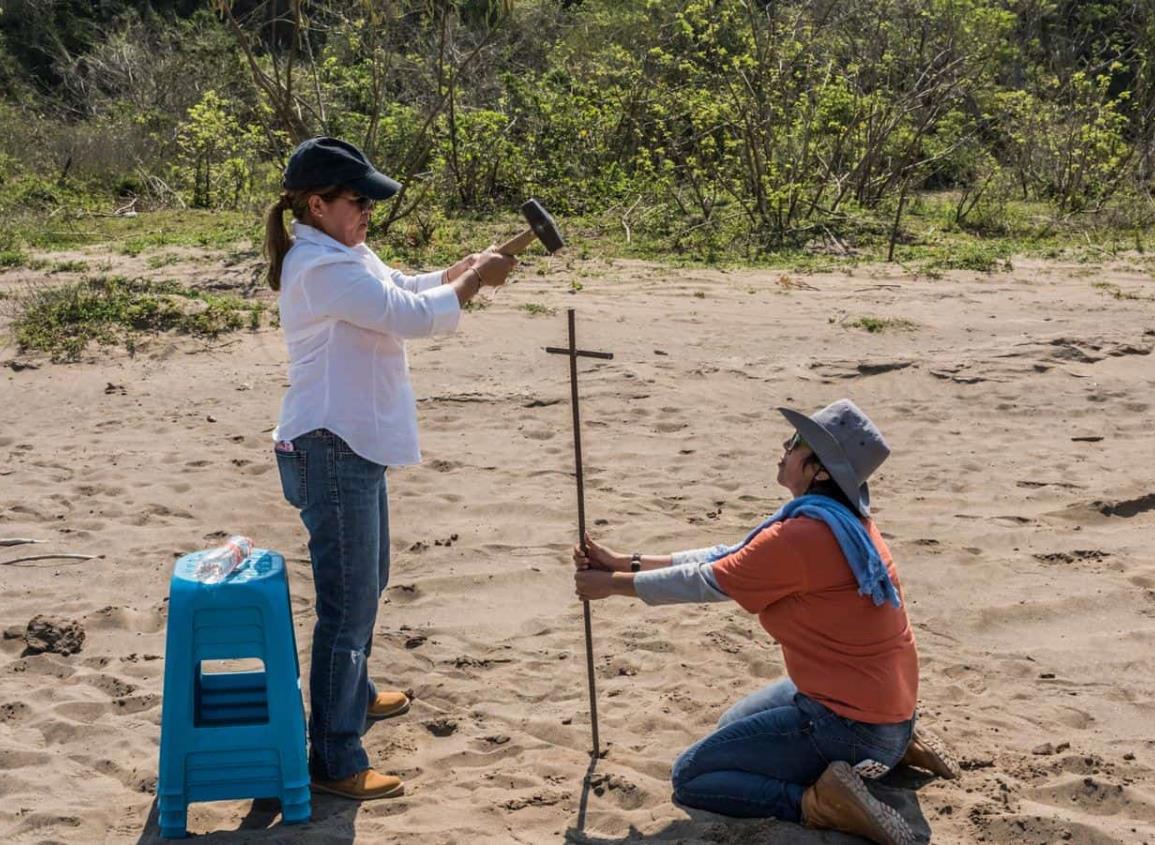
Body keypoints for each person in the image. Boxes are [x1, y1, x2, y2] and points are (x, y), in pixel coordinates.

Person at [574, 399, 957, 845]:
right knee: (728, 727)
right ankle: (888, 754)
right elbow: (727, 556)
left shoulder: (802, 535)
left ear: (821, 471)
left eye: (797, 443)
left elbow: (708, 580)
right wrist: (626, 563)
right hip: (880, 707)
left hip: (853, 724)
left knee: (693, 776)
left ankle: (820, 801)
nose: (784, 446)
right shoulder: (840, 521)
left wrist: (611, 585)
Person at [265, 137, 516, 801]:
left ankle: (357, 694)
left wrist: (457, 271)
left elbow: (402, 288)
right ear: (316, 205)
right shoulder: (319, 266)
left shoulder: (342, 250)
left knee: (368, 582)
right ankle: (336, 755)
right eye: (358, 199)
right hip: (330, 446)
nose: (369, 210)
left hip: (350, 444)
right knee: (345, 610)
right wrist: (473, 284)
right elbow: (407, 317)